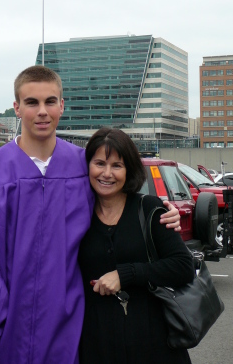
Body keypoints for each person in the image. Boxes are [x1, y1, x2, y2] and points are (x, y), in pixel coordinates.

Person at [0, 66, 181, 364]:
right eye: (32, 102)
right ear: (16, 107)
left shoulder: (83, 168)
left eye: (50, 101)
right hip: (4, 325)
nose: (42, 112)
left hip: (70, 325)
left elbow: (121, 202)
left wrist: (164, 211)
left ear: (62, 105)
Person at [79, 127, 194, 364]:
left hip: (156, 345)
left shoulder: (149, 208)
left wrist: (126, 274)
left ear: (129, 169)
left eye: (117, 166)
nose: (107, 173)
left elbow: (183, 266)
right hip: (97, 345)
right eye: (99, 163)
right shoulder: (78, 217)